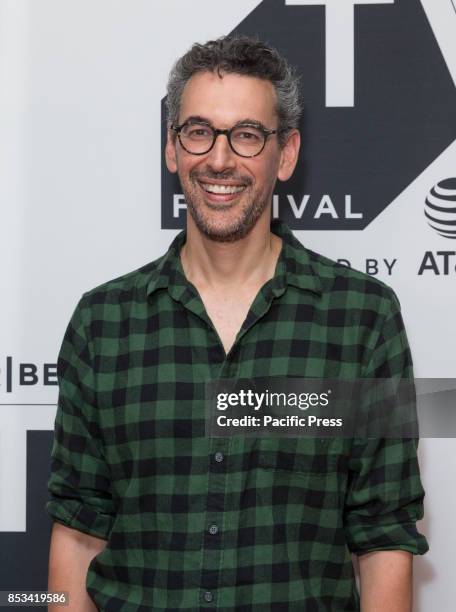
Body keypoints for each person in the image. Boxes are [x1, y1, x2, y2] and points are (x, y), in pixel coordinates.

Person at [47, 35, 428, 611]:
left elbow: (383, 540)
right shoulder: (103, 323)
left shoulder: (362, 318)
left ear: (287, 153)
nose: (219, 160)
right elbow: (77, 535)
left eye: (247, 135)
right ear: (172, 149)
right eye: (199, 131)